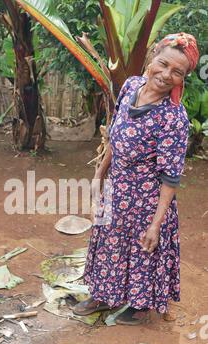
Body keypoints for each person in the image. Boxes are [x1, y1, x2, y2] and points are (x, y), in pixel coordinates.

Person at [73, 33, 199, 325]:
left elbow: (170, 178)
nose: (167, 75)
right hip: (117, 189)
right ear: (153, 56)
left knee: (144, 250)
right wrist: (99, 173)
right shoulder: (131, 86)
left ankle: (140, 305)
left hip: (147, 200)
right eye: (163, 64)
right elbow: (116, 135)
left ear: (183, 78)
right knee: (107, 242)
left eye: (177, 72)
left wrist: (156, 224)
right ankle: (102, 296)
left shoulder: (173, 118)